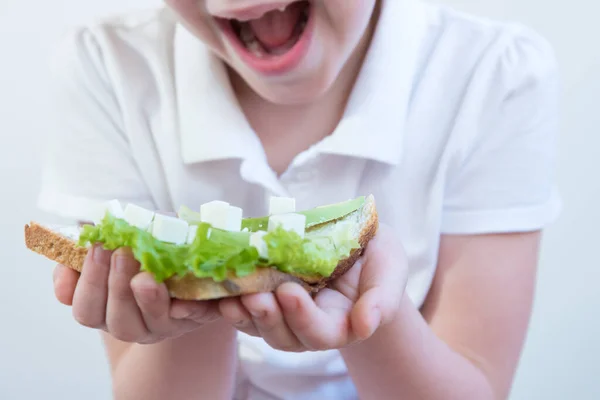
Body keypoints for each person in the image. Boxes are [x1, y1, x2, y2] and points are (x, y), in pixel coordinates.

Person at [40, 0, 561, 398]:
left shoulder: (496, 76)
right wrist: (191, 305)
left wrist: (375, 313)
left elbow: (479, 382)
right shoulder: (105, 67)